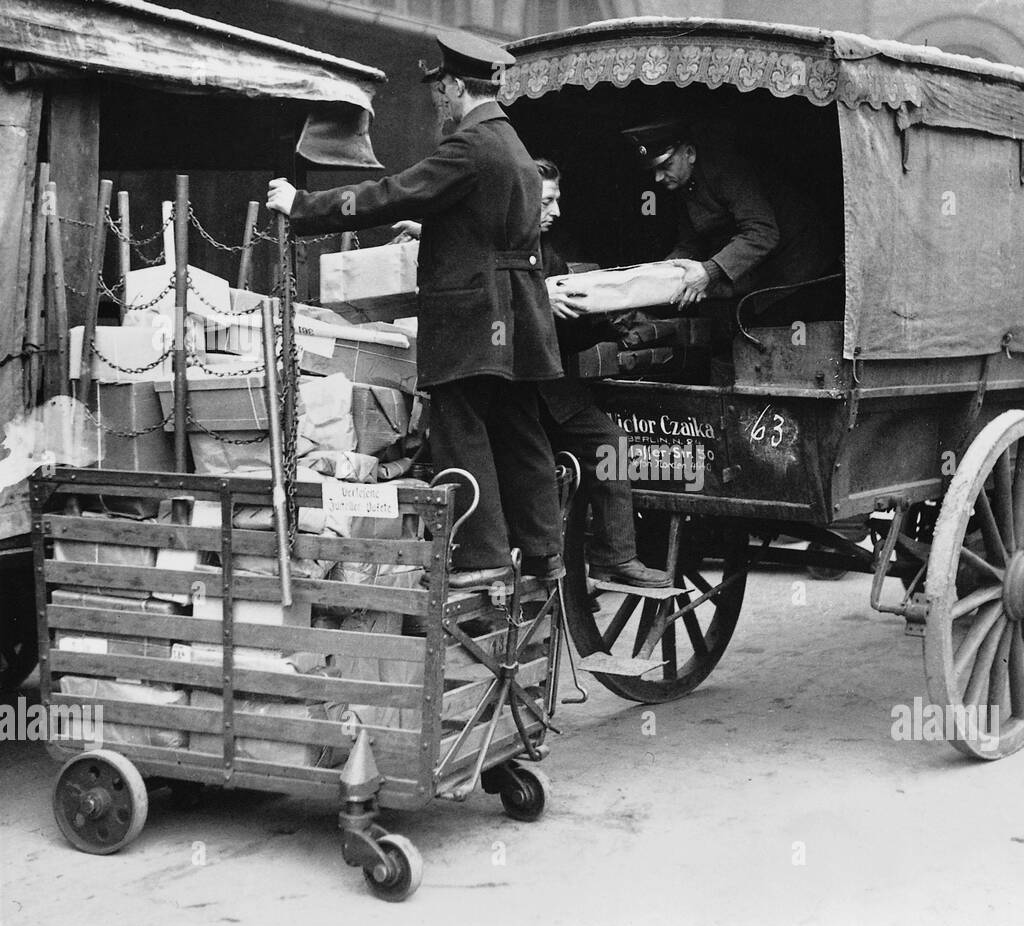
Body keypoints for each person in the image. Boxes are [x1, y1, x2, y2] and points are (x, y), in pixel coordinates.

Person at [267, 29, 563, 591]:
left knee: (460, 427)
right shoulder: (512, 146)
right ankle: (546, 551)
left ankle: (483, 558)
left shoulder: (470, 146)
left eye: (440, 91)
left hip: (474, 317)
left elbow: (393, 191)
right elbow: (494, 226)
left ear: (454, 87)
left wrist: (303, 205)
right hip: (515, 315)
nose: (439, 103)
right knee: (518, 428)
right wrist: (438, 230)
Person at [532, 158, 670, 589]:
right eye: (547, 202)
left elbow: (565, 332)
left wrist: (607, 321)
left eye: (557, 201)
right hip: (525, 392)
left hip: (548, 387)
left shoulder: (544, 249)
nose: (555, 212)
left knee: (605, 448)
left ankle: (603, 558)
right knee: (610, 445)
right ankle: (611, 557)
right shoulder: (512, 250)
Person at [621, 120, 841, 322]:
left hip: (799, 262)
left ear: (689, 153)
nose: (658, 178)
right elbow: (692, 243)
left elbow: (762, 232)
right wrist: (662, 272)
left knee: (775, 332)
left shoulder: (724, 169)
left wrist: (709, 271)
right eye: (655, 170)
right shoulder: (682, 183)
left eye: (665, 166)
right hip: (764, 268)